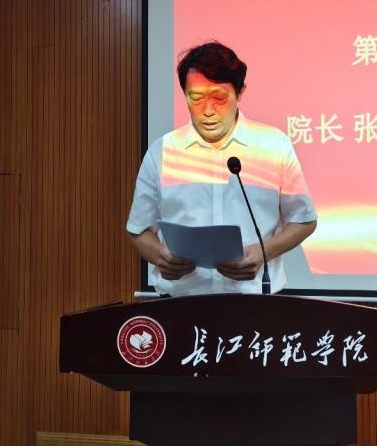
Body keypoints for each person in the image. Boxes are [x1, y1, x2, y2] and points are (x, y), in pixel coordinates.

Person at [127, 41, 317, 295]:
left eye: (219, 98)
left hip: (255, 304)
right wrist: (160, 256)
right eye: (196, 98)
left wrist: (263, 252)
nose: (207, 111)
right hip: (179, 302)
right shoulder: (163, 151)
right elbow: (139, 230)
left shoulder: (272, 146)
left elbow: (304, 220)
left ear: (240, 92)